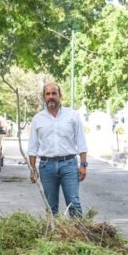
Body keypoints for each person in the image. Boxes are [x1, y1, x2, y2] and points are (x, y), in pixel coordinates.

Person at [28, 83, 88, 218]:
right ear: (44, 97)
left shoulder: (72, 116)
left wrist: (83, 165)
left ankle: (79, 236)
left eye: (54, 93)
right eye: (48, 94)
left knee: (74, 203)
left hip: (69, 165)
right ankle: (53, 236)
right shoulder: (38, 119)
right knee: (51, 207)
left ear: (60, 95)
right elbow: (32, 147)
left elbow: (81, 142)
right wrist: (33, 169)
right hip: (46, 166)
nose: (51, 97)